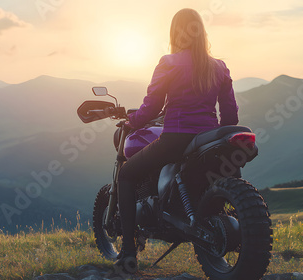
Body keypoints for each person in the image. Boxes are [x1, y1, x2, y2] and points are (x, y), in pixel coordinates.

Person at [113, 8, 239, 273]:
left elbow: (151, 106)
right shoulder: (219, 67)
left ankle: (127, 252)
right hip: (209, 140)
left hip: (175, 139)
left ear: (175, 33)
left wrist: (131, 122)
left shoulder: (169, 62)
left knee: (126, 174)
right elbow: (230, 115)